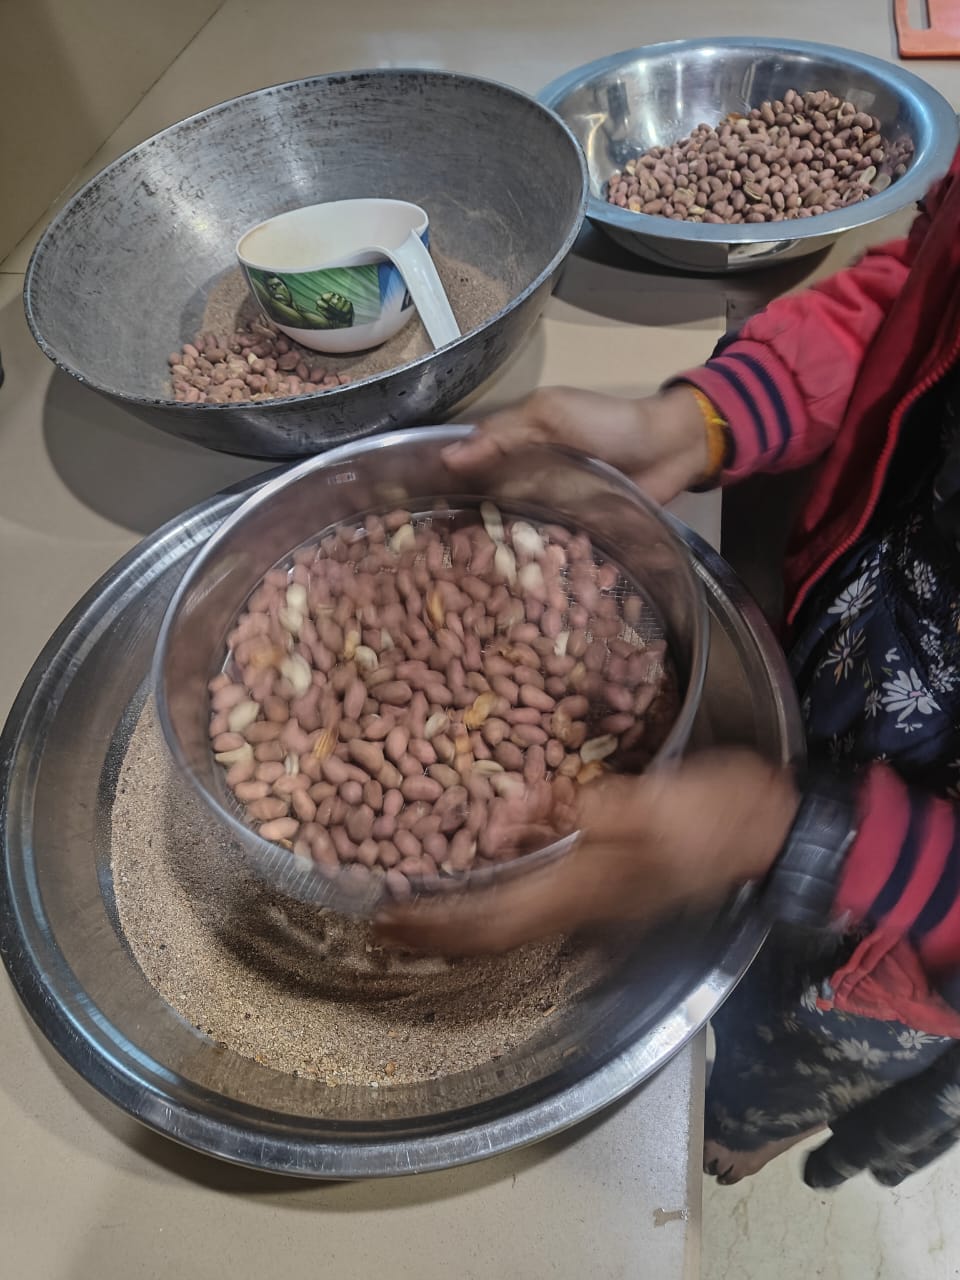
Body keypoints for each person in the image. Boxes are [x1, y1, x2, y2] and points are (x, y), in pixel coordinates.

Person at [377, 141, 960, 1190]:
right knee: (750, 944)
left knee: (805, 1039)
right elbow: (924, 302)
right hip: (864, 668)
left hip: (918, 943)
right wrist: (704, 417)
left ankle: (748, 1122)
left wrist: (811, 837)